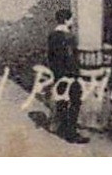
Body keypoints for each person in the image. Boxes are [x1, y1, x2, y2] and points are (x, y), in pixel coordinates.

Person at [46, 9, 87, 143]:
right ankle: (72, 134)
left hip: (58, 75)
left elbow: (50, 57)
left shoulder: (52, 36)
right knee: (75, 101)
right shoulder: (68, 37)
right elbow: (70, 58)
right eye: (71, 19)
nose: (72, 21)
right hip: (70, 74)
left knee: (62, 101)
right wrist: (76, 75)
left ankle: (62, 128)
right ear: (66, 20)